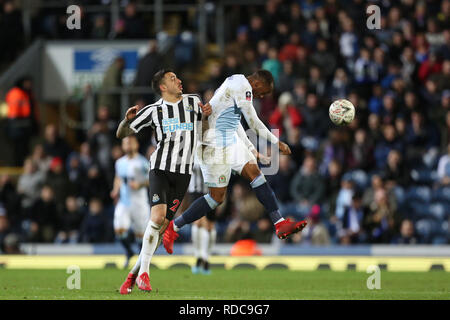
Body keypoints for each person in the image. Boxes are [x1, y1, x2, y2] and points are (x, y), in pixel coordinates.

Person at [163, 70, 308, 255]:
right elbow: (253, 122)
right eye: (263, 91)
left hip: (228, 140)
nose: (262, 96)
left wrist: (251, 149)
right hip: (212, 143)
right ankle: (172, 228)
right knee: (216, 198)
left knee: (256, 173)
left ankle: (279, 223)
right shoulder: (243, 87)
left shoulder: (235, 84)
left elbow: (235, 121)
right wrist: (277, 142)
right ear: (257, 83)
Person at [116, 69, 212, 294]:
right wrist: (126, 120)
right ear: (162, 87)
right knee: (157, 217)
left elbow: (203, 134)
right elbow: (121, 134)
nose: (179, 81)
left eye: (178, 77)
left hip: (183, 174)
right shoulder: (153, 111)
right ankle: (144, 274)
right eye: (172, 79)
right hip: (160, 168)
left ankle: (132, 275)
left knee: (162, 227)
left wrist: (206, 117)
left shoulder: (194, 101)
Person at [110, 135, 150, 268]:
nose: (128, 145)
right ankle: (129, 252)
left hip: (139, 202)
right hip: (124, 201)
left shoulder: (142, 162)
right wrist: (115, 189)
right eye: (126, 143)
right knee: (119, 229)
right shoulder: (119, 162)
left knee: (141, 234)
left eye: (131, 143)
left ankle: (141, 261)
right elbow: (118, 178)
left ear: (136, 145)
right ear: (122, 146)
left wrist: (139, 184)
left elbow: (151, 180)